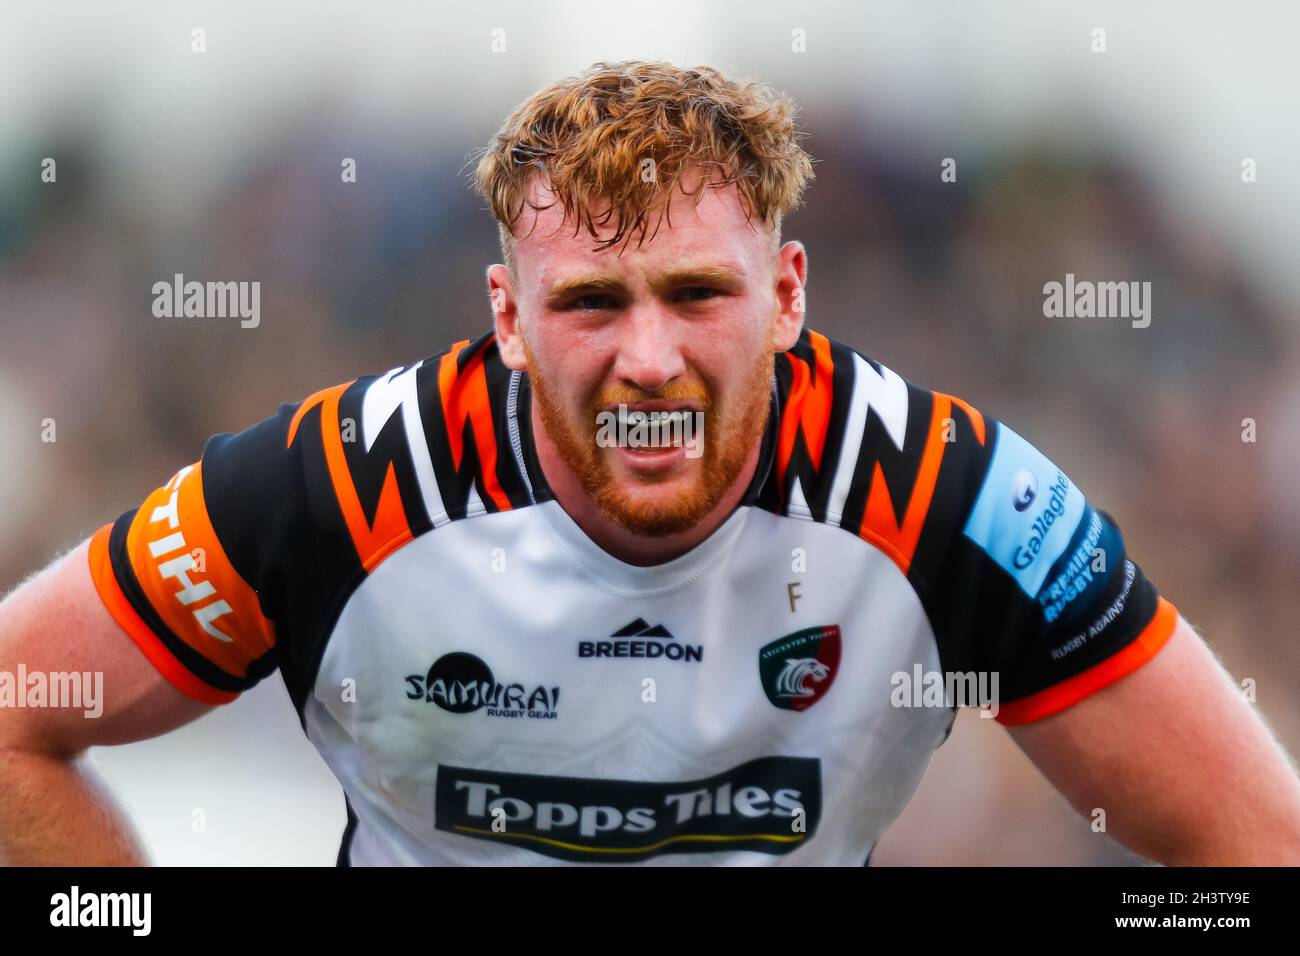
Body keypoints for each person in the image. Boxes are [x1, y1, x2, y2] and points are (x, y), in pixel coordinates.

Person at [2, 60, 1298, 866]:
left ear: (788, 296)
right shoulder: (335, 482)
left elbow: (1251, 840)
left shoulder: (946, 496)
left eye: (695, 293)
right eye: (590, 304)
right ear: (507, 317)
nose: (650, 357)